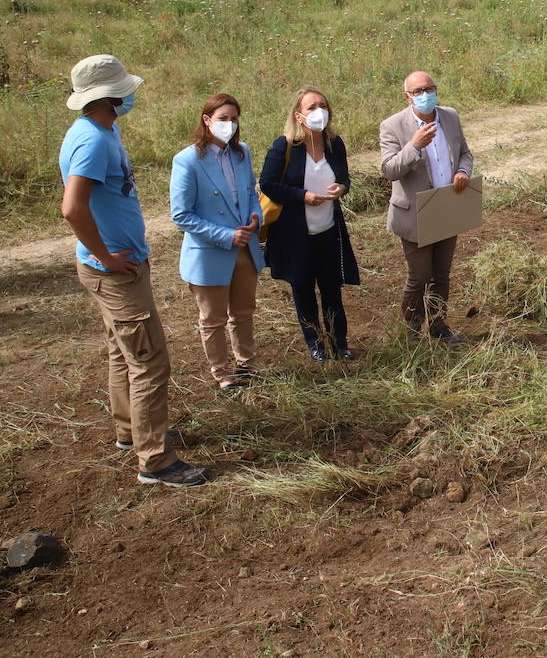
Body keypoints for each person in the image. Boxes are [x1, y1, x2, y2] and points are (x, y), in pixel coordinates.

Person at [59, 54, 208, 488]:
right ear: (110, 96)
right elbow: (72, 208)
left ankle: (132, 431)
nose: (132, 94)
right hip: (113, 272)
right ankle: (155, 461)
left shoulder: (102, 129)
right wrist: (107, 257)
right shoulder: (93, 142)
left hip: (117, 265)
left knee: (122, 354)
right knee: (149, 361)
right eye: (126, 89)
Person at [170, 93, 265, 391]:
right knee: (212, 319)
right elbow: (182, 215)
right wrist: (226, 235)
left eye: (234, 119)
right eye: (223, 118)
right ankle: (222, 373)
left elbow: (251, 191)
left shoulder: (242, 153)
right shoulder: (188, 160)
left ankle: (246, 364)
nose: (229, 124)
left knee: (243, 312)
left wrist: (255, 216)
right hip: (210, 252)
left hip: (245, 248)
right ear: (207, 120)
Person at [260, 87, 359, 361]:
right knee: (303, 290)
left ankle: (339, 343)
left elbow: (345, 178)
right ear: (299, 116)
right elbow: (267, 183)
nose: (319, 112)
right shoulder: (285, 146)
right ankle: (315, 344)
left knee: (332, 290)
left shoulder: (334, 144)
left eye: (323, 106)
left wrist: (342, 188)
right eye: (312, 107)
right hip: (295, 236)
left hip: (328, 231)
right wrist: (303, 196)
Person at [378, 71, 473, 344]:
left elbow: (465, 152)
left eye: (429, 89)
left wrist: (463, 171)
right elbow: (389, 170)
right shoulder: (393, 126)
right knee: (419, 275)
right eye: (418, 91)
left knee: (442, 273)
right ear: (407, 97)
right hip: (414, 212)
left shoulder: (450, 117)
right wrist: (413, 147)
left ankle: (439, 325)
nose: (424, 95)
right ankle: (413, 330)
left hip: (446, 205)